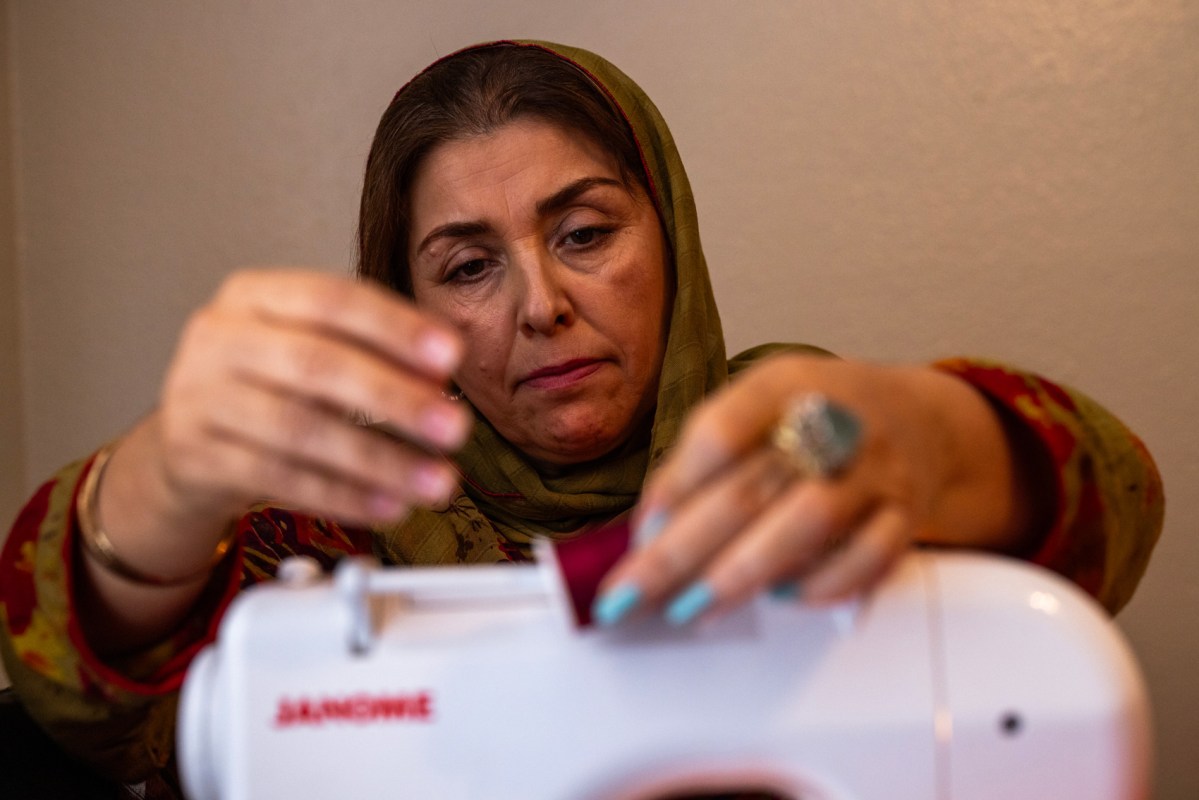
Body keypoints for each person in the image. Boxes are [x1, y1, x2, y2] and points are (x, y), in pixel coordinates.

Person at [0, 39, 1164, 793]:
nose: (542, 305)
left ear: (671, 235)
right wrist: (159, 480)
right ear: (409, 309)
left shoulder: (810, 455)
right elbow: (88, 713)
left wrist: (924, 429)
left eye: (585, 233)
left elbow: (1111, 513)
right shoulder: (327, 535)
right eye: (466, 267)